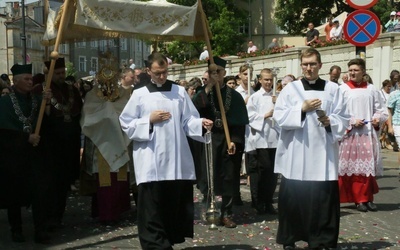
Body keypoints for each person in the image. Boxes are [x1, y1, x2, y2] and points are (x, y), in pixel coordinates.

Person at [119, 52, 213, 249]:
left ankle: (168, 239)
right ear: (148, 71)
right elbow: (126, 123)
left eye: (165, 72)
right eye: (157, 73)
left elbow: (188, 120)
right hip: (151, 159)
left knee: (172, 205)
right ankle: (155, 244)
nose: (162, 77)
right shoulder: (139, 94)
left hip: (176, 159)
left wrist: (201, 123)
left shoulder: (179, 92)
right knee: (152, 208)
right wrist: (148, 121)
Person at [273, 48, 350, 249]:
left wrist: (329, 120)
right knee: (293, 201)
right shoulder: (291, 89)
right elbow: (278, 118)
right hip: (297, 153)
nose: (309, 68)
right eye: (305, 64)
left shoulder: (334, 89)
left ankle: (321, 240)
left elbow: (344, 117)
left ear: (320, 65)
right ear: (301, 65)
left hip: (324, 154)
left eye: (313, 64)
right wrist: (301, 109)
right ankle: (290, 239)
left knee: (323, 201)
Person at [192, 56, 249, 228]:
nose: (216, 75)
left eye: (219, 72)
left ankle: (226, 213)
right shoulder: (203, 92)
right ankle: (210, 210)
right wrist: (209, 86)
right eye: (212, 72)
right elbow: (194, 108)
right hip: (209, 139)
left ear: (224, 73)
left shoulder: (235, 95)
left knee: (229, 177)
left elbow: (240, 124)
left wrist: (235, 142)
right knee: (209, 175)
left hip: (228, 139)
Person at [0, 63, 52, 243]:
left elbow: (46, 122)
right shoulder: (4, 103)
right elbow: (3, 132)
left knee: (39, 192)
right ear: (16, 81)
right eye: (27, 79)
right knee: (14, 193)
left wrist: (47, 103)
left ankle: (41, 229)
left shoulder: (37, 99)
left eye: (31, 79)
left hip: (35, 155)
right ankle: (16, 229)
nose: (31, 82)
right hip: (13, 156)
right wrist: (24, 138)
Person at [80, 59, 132, 224]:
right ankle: (105, 212)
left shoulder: (124, 94)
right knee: (104, 180)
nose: (108, 85)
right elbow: (87, 118)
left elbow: (128, 113)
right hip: (101, 143)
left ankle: (120, 210)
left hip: (120, 140)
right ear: (99, 80)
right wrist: (108, 113)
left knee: (119, 178)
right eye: (104, 82)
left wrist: (111, 113)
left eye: (110, 81)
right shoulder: (91, 95)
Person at [338, 58, 388, 213]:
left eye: (356, 70)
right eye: (350, 70)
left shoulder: (372, 89)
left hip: (367, 133)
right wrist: (352, 121)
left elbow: (381, 109)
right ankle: (358, 199)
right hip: (350, 134)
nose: (352, 73)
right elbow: (337, 112)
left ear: (363, 72)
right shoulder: (343, 89)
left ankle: (367, 198)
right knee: (353, 169)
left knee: (366, 169)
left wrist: (377, 118)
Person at [42, 58, 83, 230]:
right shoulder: (43, 90)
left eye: (62, 73)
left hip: (70, 143)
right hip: (52, 144)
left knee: (65, 181)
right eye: (57, 73)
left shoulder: (71, 89)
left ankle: (58, 215)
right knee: (51, 182)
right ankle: (48, 216)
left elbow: (79, 112)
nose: (61, 76)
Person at [246, 68, 279, 215]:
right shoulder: (255, 97)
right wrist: (265, 115)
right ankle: (258, 201)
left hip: (275, 138)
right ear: (260, 80)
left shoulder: (277, 96)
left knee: (273, 173)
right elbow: (250, 116)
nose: (268, 82)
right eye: (266, 79)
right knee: (262, 171)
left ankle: (268, 201)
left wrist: (277, 105)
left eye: (270, 79)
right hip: (261, 139)